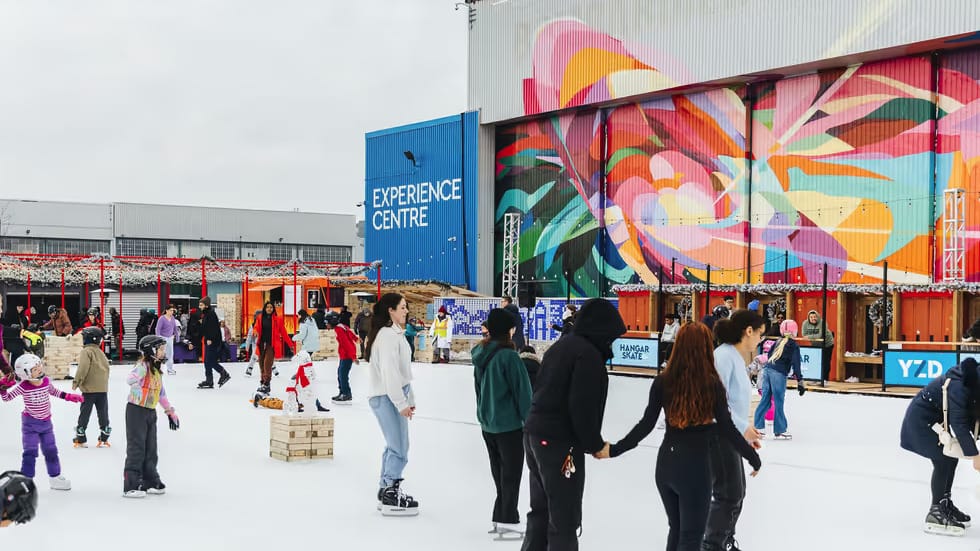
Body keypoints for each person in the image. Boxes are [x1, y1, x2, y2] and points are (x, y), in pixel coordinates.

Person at [600, 322, 762, 551]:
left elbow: (645, 425)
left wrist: (614, 449)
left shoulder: (663, 381)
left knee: (676, 530)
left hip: (666, 466)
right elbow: (727, 427)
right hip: (695, 471)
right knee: (690, 537)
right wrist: (752, 457)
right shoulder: (711, 385)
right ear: (706, 347)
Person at [521, 298, 626, 551]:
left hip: (535, 435)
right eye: (611, 337)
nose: (612, 343)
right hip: (559, 443)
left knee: (541, 510)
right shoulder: (587, 355)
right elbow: (582, 407)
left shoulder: (562, 346)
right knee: (563, 518)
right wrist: (594, 444)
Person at [703, 309, 765, 551]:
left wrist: (744, 434)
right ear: (748, 331)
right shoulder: (724, 357)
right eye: (760, 334)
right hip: (718, 435)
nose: (760, 339)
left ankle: (722, 541)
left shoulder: (735, 357)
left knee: (736, 493)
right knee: (728, 494)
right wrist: (741, 428)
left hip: (729, 435)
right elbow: (716, 402)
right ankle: (711, 545)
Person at [901, 357, 980, 536]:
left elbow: (970, 418)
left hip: (937, 420)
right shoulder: (959, 386)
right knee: (943, 459)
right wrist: (975, 456)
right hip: (922, 420)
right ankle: (935, 512)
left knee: (950, 460)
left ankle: (944, 503)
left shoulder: (973, 382)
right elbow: (959, 422)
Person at [472, 309, 533, 539]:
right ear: (507, 331)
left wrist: (483, 413)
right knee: (512, 473)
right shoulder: (510, 357)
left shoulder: (481, 353)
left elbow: (478, 389)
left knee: (499, 472)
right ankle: (508, 519)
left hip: (488, 423)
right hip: (509, 425)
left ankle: (500, 515)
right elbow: (523, 394)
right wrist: (530, 422)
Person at [364, 293, 420, 516]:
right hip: (387, 396)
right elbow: (390, 374)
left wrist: (409, 398)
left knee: (394, 445)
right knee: (399, 448)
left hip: (392, 394)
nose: (406, 311)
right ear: (391, 310)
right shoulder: (388, 336)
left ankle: (385, 488)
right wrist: (400, 402)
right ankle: (390, 492)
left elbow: (403, 373)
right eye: (403, 307)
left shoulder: (394, 334)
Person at [0, 353, 81, 490]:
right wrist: (2, 388)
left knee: (51, 450)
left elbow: (55, 392)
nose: (40, 369)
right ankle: (26, 480)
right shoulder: (23, 386)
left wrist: (69, 396)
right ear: (26, 373)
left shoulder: (46, 382)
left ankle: (55, 477)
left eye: (39, 366)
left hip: (46, 424)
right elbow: (7, 398)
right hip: (30, 425)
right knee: (30, 452)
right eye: (36, 369)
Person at [124, 335, 180, 498]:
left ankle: (150, 480)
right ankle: (131, 484)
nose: (163, 351)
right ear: (151, 350)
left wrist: (170, 411)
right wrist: (136, 387)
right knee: (137, 448)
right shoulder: (143, 366)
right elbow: (130, 378)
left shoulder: (156, 371)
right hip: (136, 410)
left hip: (150, 411)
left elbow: (161, 394)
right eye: (161, 349)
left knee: (151, 448)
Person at [755, 320, 804, 440]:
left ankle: (758, 427)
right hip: (778, 374)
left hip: (767, 370)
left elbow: (769, 355)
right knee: (778, 401)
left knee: (765, 399)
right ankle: (780, 430)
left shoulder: (777, 341)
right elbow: (796, 364)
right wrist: (800, 382)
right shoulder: (793, 345)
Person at [72, 327, 112, 448]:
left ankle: (81, 434)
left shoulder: (86, 351)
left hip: (89, 389)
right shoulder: (100, 352)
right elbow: (106, 369)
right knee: (103, 412)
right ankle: (105, 432)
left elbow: (83, 368)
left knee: (85, 412)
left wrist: (77, 381)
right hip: (102, 389)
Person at [251, 301, 292, 396]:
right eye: (267, 307)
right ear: (264, 309)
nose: (269, 309)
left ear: (273, 309)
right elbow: (256, 327)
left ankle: (266, 383)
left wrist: (290, 344)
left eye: (271, 307)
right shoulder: (260, 318)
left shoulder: (278, 319)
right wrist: (255, 331)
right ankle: (263, 383)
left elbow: (284, 333)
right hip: (261, 344)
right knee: (261, 364)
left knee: (267, 364)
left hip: (271, 345)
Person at [196, 297, 231, 390]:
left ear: (206, 305)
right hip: (210, 340)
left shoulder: (210, 314)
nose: (199, 307)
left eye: (201, 305)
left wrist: (210, 338)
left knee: (209, 361)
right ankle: (210, 380)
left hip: (212, 341)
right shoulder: (206, 314)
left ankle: (223, 374)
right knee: (208, 361)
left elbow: (213, 328)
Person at [326, 312, 359, 405]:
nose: (326, 325)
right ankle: (342, 392)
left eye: (327, 322)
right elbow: (349, 332)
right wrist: (356, 339)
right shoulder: (341, 326)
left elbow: (346, 344)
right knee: (340, 374)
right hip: (345, 355)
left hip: (347, 355)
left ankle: (346, 394)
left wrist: (353, 357)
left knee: (342, 375)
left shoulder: (339, 329)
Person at [800, 310, 834, 384]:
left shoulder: (822, 323)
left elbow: (820, 335)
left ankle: (825, 379)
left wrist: (809, 336)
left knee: (825, 361)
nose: (813, 318)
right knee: (815, 362)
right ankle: (815, 378)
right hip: (815, 344)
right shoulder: (805, 323)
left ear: (817, 317)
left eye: (815, 317)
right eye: (811, 317)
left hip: (827, 344)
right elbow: (803, 334)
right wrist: (811, 337)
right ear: (808, 318)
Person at [155, 305, 181, 376]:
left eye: (173, 310)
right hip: (162, 338)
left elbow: (174, 328)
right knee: (161, 354)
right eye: (170, 310)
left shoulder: (172, 318)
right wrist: (158, 338)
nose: (172, 312)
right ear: (166, 310)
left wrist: (177, 336)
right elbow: (157, 329)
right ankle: (158, 369)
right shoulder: (162, 318)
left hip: (170, 338)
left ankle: (170, 369)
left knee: (170, 354)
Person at [243, 310, 262, 377]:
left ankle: (273, 368)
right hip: (255, 344)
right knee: (254, 356)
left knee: (267, 357)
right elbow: (249, 336)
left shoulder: (265, 324)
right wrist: (247, 346)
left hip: (263, 343)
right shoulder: (253, 325)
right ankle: (249, 369)